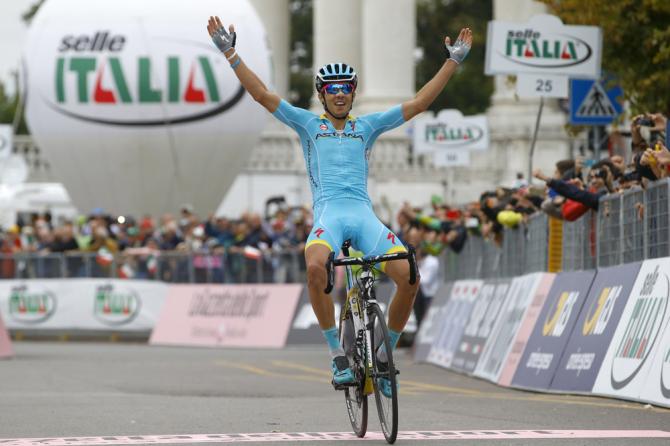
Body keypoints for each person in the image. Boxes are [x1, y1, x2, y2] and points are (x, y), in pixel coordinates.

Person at [206, 16, 472, 393]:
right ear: (321, 94)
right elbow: (263, 95)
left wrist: (452, 62)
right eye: (332, 89)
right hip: (329, 216)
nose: (340, 94)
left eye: (346, 88)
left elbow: (418, 103)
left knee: (409, 279)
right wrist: (230, 53)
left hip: (363, 217)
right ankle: (337, 355)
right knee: (315, 267)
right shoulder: (307, 125)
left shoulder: (368, 126)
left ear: (353, 92)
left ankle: (384, 357)